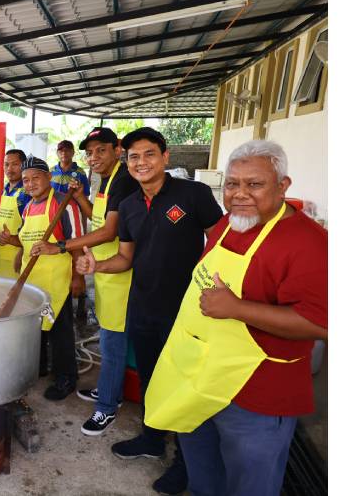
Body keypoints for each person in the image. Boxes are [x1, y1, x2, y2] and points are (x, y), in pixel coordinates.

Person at [143, 140, 327, 496]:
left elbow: (324, 324)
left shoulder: (309, 244)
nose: (240, 194)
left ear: (283, 185)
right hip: (201, 377)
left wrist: (237, 308)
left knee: (249, 485)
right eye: (232, 184)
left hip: (256, 395)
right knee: (204, 477)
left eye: (254, 184)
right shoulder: (230, 223)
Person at [76, 127, 223, 495]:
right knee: (151, 379)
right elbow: (125, 258)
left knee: (185, 387)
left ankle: (185, 464)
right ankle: (152, 438)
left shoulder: (194, 194)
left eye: (149, 154)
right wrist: (97, 267)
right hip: (142, 307)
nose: (141, 162)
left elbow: (222, 241)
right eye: (134, 157)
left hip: (186, 311)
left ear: (166, 157)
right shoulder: (127, 207)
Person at [32, 127, 139, 435]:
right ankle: (111, 391)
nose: (93, 158)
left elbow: (109, 232)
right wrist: (80, 197)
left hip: (120, 271)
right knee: (109, 336)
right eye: (90, 153)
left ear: (116, 149)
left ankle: (106, 407)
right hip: (104, 270)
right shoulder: (107, 180)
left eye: (100, 151)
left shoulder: (123, 181)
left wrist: (64, 246)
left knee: (112, 342)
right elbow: (99, 219)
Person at [1, 156, 83, 400]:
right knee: (36, 327)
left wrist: (78, 277)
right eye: (26, 180)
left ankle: (66, 378)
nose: (30, 184)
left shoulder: (63, 203)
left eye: (36, 178)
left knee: (60, 331)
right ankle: (40, 367)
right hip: (33, 278)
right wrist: (13, 243)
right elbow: (28, 241)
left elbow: (77, 243)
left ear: (49, 177)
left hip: (57, 279)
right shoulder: (28, 206)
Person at [0, 149, 32, 278]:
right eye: (6, 164)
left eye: (15, 164)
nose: (9, 169)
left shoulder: (27, 192)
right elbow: (3, 218)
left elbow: (32, 228)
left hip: (18, 257)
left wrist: (22, 252)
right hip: (2, 255)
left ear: (23, 165)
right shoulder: (6, 189)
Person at [51, 139, 91, 220]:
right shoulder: (51, 171)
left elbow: (85, 197)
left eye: (67, 150)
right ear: (57, 153)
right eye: (61, 151)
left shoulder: (80, 172)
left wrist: (83, 222)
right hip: (54, 212)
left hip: (74, 213)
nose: (64, 153)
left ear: (73, 153)